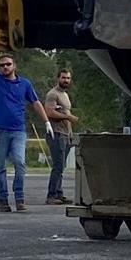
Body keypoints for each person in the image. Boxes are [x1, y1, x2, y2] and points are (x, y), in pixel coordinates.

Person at [0, 51, 48, 213]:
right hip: (0, 131)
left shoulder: (25, 84)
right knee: (0, 166)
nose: (5, 67)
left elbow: (35, 103)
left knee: (20, 163)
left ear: (14, 66)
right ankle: (2, 200)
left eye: (8, 64)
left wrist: (46, 121)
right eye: (2, 65)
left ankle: (19, 198)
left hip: (18, 131)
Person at [43, 68, 78, 204]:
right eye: (63, 78)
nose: (66, 80)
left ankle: (59, 193)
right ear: (58, 78)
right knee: (57, 166)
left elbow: (65, 114)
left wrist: (70, 132)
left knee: (61, 166)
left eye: (68, 78)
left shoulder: (65, 95)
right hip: (56, 133)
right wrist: (68, 116)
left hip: (65, 134)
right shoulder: (53, 94)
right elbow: (49, 112)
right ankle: (51, 195)